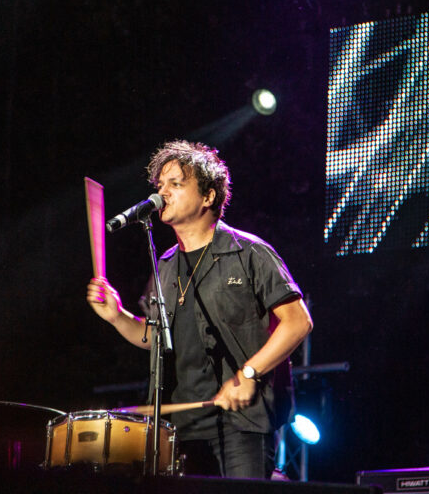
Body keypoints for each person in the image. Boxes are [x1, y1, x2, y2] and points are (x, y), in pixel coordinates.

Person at [86, 140, 313, 478]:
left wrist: (249, 374)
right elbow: (156, 338)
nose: (162, 193)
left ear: (208, 196)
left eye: (175, 184)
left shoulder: (250, 252)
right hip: (180, 427)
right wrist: (117, 316)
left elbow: (298, 322)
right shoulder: (165, 265)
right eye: (160, 185)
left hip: (242, 422)